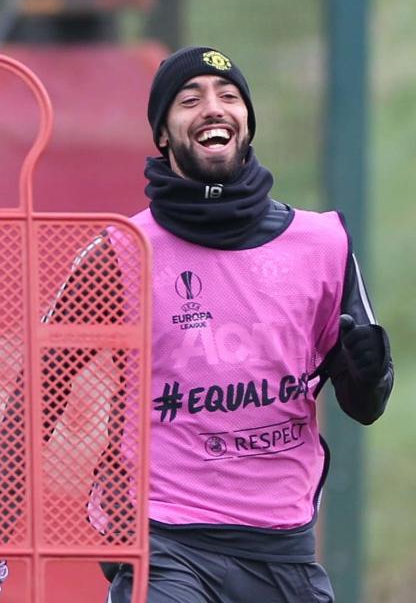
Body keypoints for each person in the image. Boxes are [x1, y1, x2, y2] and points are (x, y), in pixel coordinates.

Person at [96, 45, 394, 602]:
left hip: (283, 551)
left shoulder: (323, 242)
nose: (213, 107)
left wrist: (370, 371)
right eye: (190, 100)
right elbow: (42, 384)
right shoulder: (121, 249)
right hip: (165, 544)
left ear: (247, 123)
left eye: (229, 97)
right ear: (163, 134)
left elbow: (366, 405)